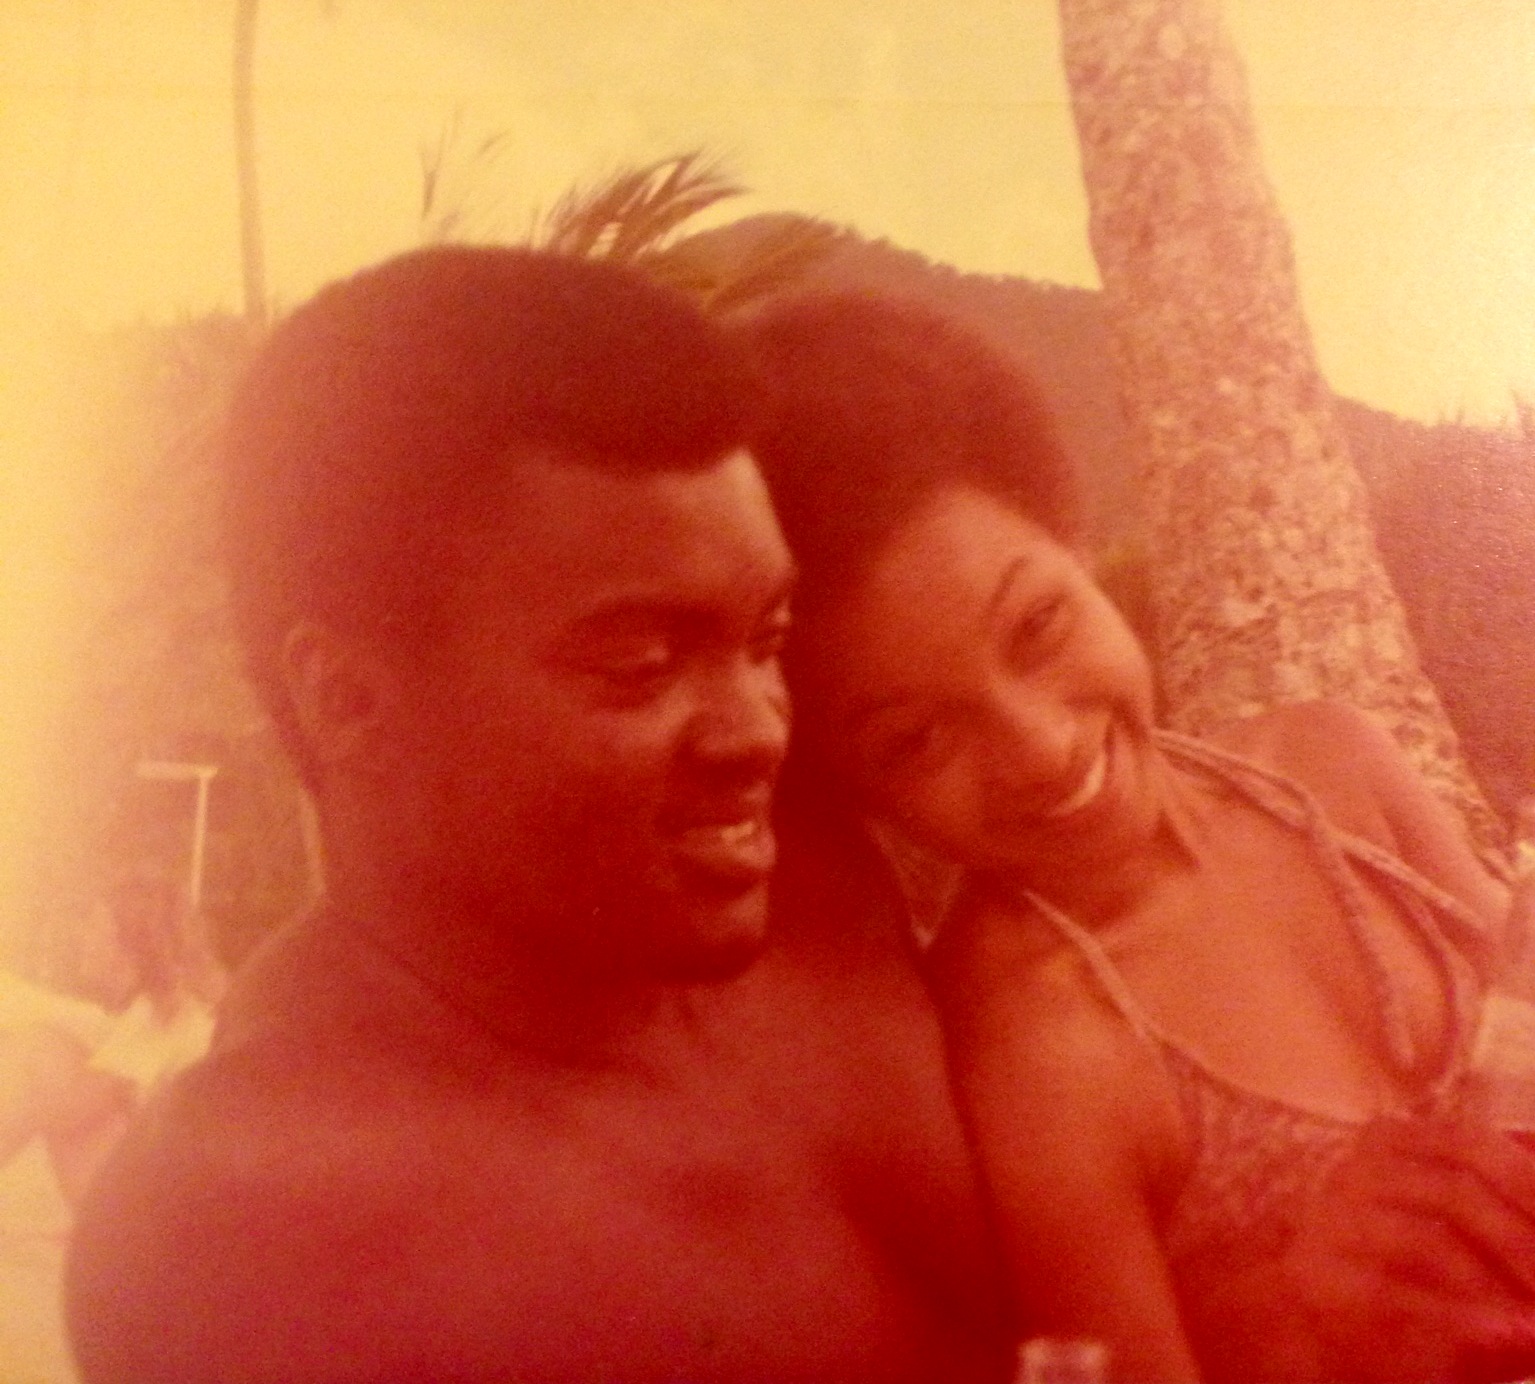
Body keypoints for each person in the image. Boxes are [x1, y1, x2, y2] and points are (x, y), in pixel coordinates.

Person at [64, 247, 1014, 1384]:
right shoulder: (252, 1223)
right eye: (640, 665)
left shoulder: (817, 883)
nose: (755, 731)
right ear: (346, 699)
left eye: (764, 639)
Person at [738, 289, 1535, 1383]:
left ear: (1074, 542)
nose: (1034, 748)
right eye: (916, 739)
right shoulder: (1041, 1049)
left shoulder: (1330, 766)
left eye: (1035, 625)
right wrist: (1295, 1327)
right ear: (858, 791)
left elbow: (1521, 1024)